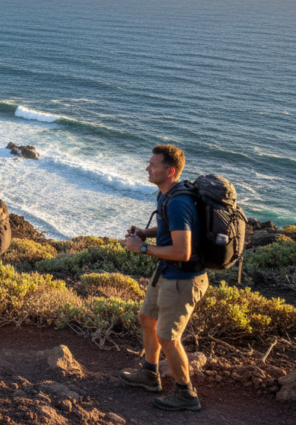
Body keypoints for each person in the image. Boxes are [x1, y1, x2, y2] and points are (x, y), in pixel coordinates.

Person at [121, 144, 206, 412]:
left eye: (153, 165)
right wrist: (146, 234)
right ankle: (149, 374)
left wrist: (143, 248)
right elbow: (171, 227)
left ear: (169, 171)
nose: (147, 168)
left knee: (168, 336)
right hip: (166, 273)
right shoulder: (168, 195)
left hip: (182, 280)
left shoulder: (179, 202)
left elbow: (183, 251)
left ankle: (186, 395)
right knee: (147, 319)